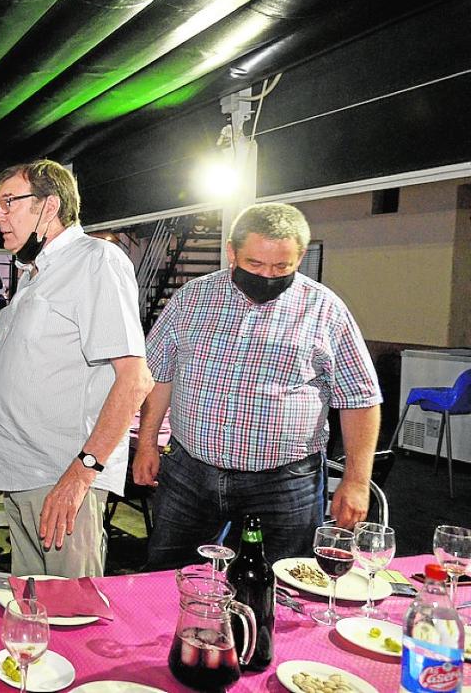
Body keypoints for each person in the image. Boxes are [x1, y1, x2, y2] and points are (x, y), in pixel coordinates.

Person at [134, 203, 382, 568]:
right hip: (189, 473)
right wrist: (146, 445)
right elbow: (159, 374)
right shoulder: (191, 299)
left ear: (300, 257)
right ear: (231, 252)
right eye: (254, 264)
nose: (267, 275)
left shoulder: (325, 309)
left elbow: (360, 398)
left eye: (282, 267)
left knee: (276, 585)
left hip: (284, 484)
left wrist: (357, 481)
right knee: (167, 576)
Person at [0, 159, 152, 578]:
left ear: (49, 206)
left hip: (60, 478)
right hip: (25, 476)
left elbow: (135, 379)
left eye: (8, 203)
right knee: (33, 614)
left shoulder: (95, 260)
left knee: (71, 616)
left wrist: (81, 473)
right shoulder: (35, 273)